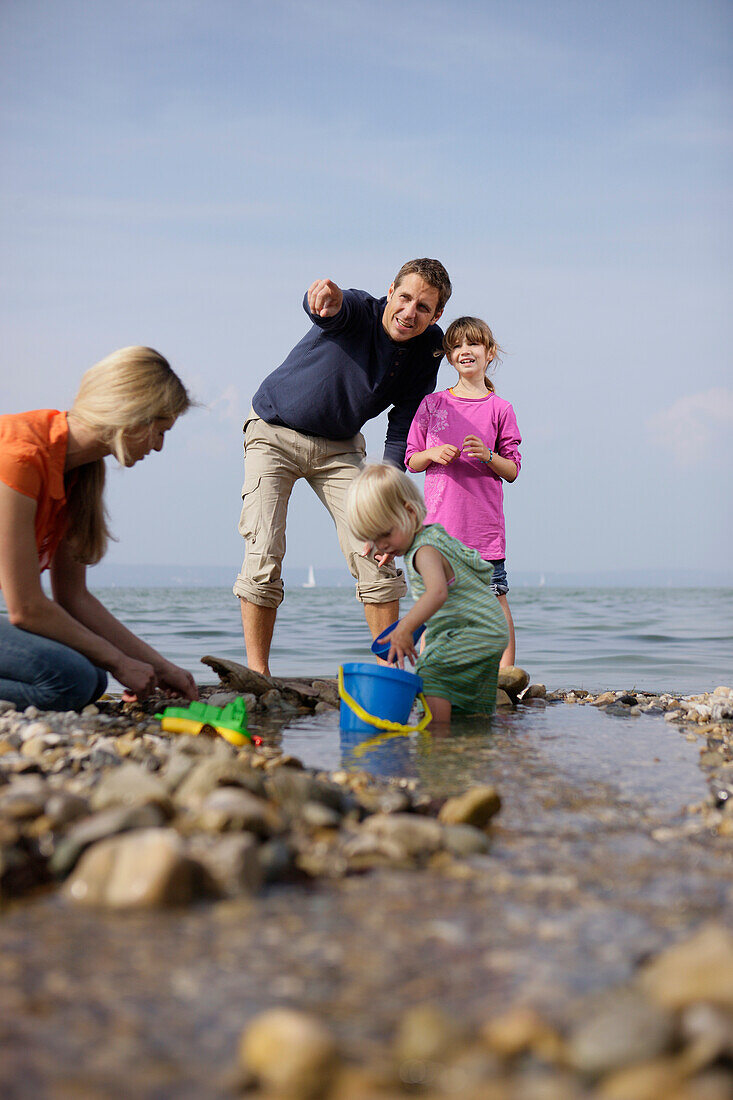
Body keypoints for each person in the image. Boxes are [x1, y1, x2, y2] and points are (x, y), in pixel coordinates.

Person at [233, 258, 452, 675]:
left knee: (379, 548)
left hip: (340, 450)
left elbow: (403, 423)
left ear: (436, 314)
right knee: (264, 552)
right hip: (273, 433)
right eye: (404, 298)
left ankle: (387, 673)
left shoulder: (428, 350)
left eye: (423, 308)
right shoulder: (359, 310)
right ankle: (258, 677)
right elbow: (333, 309)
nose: (409, 312)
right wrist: (323, 302)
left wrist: (388, 491)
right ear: (390, 291)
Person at [0, 347, 199, 711]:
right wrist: (121, 662)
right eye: (159, 431)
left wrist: (161, 667)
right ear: (133, 415)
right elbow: (25, 608)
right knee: (71, 678)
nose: (159, 446)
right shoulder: (19, 456)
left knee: (91, 676)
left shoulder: (82, 471)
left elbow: (74, 598)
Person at [346, 462, 509, 723]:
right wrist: (396, 541)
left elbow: (437, 593)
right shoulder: (434, 536)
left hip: (472, 631)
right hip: (490, 630)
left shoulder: (423, 551)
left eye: (385, 534)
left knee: (430, 670)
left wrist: (405, 628)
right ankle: (474, 745)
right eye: (375, 539)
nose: (382, 544)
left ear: (410, 513)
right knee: (471, 702)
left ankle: (436, 740)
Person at [404, 316, 521, 666]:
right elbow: (412, 459)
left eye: (472, 344)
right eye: (456, 346)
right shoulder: (432, 404)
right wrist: (433, 453)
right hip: (440, 530)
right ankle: (429, 669)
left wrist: (488, 456)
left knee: (494, 598)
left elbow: (513, 469)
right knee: (434, 602)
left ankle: (505, 673)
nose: (464, 351)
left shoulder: (501, 409)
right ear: (448, 356)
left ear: (489, 352)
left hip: (483, 532)